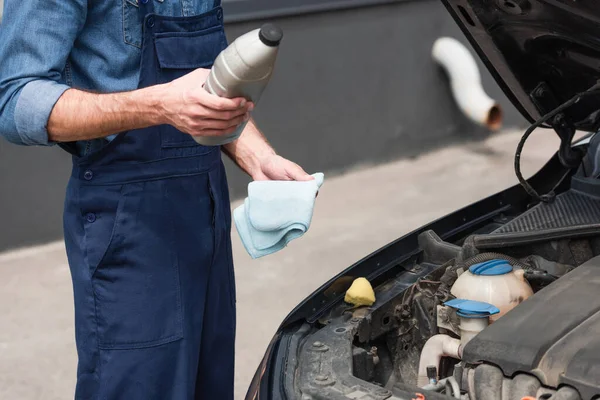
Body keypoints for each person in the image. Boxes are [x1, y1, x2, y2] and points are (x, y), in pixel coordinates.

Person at [0, 0, 313, 398]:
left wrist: (259, 157)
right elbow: (15, 98)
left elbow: (210, 87)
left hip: (204, 212)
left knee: (209, 386)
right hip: (128, 223)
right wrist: (157, 105)